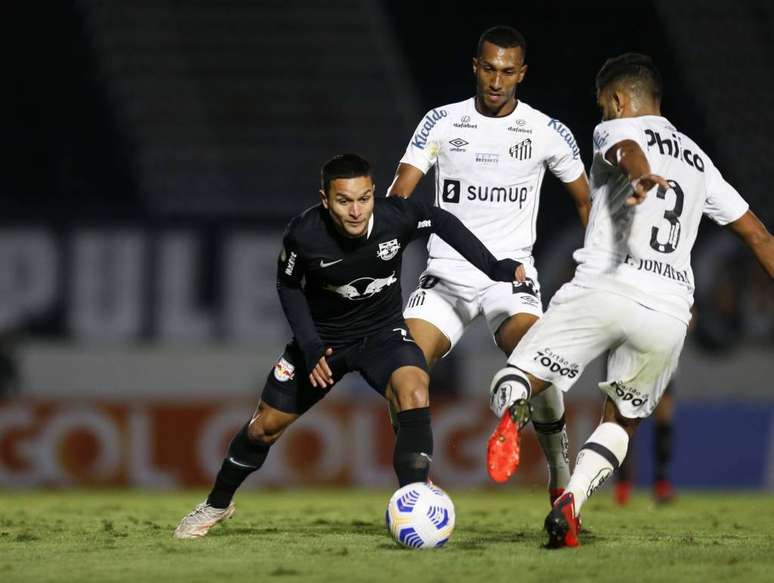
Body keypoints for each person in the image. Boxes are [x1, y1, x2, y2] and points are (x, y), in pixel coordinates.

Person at [486, 53, 773, 548]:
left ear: (618, 100)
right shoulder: (699, 160)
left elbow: (623, 150)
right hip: (668, 310)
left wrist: (640, 175)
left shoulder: (616, 128)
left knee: (518, 373)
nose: (603, 114)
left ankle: (513, 409)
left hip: (604, 287)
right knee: (622, 420)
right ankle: (571, 503)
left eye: (603, 106)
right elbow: (758, 236)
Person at [174, 153, 524, 538]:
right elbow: (288, 285)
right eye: (344, 201)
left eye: (364, 198)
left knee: (414, 387)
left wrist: (494, 268)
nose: (356, 211)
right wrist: (308, 346)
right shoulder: (304, 234)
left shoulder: (396, 217)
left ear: (374, 193)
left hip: (383, 334)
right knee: (263, 429)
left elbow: (441, 220)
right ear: (326, 200)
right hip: (322, 345)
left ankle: (414, 496)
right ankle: (216, 504)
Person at [388, 25, 590, 502]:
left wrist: (596, 266)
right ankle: (418, 487)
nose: (497, 81)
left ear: (521, 73)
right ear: (474, 67)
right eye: (489, 69)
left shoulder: (545, 131)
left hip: (512, 277)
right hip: (446, 276)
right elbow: (400, 193)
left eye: (507, 71)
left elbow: (587, 202)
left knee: (533, 355)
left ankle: (559, 470)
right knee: (402, 371)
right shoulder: (441, 122)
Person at [613, 383, 675, 505]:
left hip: (659, 365)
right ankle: (622, 485)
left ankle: (661, 483)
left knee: (663, 413)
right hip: (626, 367)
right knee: (624, 418)